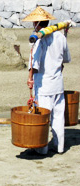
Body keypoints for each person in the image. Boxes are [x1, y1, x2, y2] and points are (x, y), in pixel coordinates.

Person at [23, 7, 71, 155]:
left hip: (43, 85)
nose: (33, 25)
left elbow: (34, 65)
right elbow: (66, 59)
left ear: (37, 23)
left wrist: (30, 79)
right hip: (57, 84)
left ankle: (42, 148)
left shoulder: (38, 40)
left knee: (43, 117)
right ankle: (60, 147)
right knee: (58, 116)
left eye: (34, 22)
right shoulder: (60, 37)